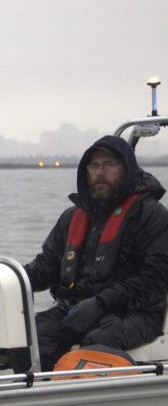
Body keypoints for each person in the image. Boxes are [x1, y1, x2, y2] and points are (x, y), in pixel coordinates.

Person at [23, 134, 168, 369]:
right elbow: (47, 265)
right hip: (73, 310)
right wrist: (13, 279)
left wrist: (101, 303)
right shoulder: (71, 218)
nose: (101, 172)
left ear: (127, 168)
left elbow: (156, 278)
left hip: (135, 313)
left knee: (97, 346)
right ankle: (28, 398)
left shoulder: (152, 217)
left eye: (110, 164)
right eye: (95, 165)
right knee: (30, 341)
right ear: (85, 171)